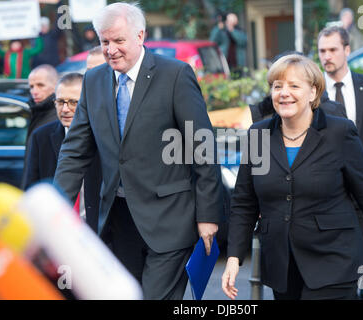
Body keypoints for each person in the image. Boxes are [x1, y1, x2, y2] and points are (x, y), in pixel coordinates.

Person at [53, 3, 223, 300]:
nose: (110, 50)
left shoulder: (175, 75)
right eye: (105, 42)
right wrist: (56, 210)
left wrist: (208, 215)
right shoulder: (92, 81)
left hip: (170, 220)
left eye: (119, 41)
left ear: (140, 35)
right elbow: (75, 152)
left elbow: (202, 147)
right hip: (117, 223)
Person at [221, 54, 363, 300]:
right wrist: (234, 258)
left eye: (294, 86)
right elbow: (244, 202)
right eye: (277, 86)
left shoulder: (339, 132)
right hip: (282, 265)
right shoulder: (259, 136)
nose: (284, 93)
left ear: (312, 92)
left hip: (334, 260)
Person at [318, 26, 363, 263]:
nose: (327, 56)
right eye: (322, 51)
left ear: (347, 50)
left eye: (332, 49)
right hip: (329, 195)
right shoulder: (312, 94)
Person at [22, 73, 101, 232]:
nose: (65, 109)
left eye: (73, 102)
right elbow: (31, 187)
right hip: (58, 231)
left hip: (98, 232)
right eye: (60, 102)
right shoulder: (41, 136)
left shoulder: (103, 136)